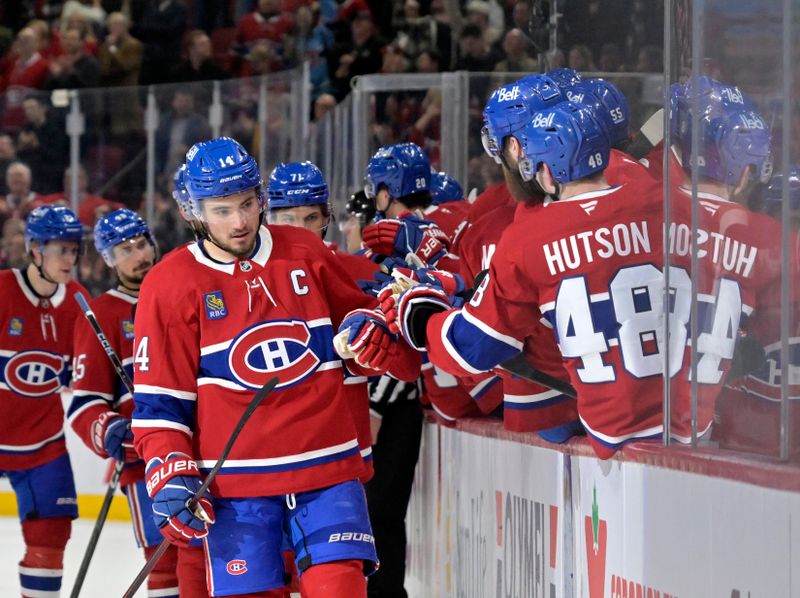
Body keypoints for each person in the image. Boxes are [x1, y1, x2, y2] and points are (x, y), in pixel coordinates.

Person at [131, 137, 420, 597]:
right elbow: (161, 403)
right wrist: (169, 467)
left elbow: (375, 334)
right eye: (222, 210)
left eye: (247, 204)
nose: (241, 221)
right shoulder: (169, 284)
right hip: (235, 492)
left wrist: (374, 333)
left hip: (328, 474)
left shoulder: (305, 252)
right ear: (193, 210)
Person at [370, 101, 667, 459]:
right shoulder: (665, 203)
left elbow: (474, 348)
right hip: (691, 424)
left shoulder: (530, 237)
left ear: (542, 170)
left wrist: (420, 319)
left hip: (602, 428)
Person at [66, 208, 203, 597]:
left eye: (141, 243)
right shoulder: (102, 313)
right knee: (166, 564)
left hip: (206, 447)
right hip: (148, 464)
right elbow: (85, 404)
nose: (139, 255)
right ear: (109, 260)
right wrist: (112, 431)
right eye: (125, 250)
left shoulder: (182, 288)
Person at [0, 205, 87, 597]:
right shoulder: (2, 290)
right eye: (60, 249)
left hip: (43, 446)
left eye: (74, 250)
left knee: (51, 538)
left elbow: (88, 373)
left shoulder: (79, 302)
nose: (70, 259)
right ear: (35, 249)